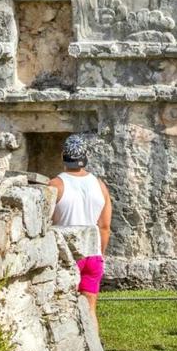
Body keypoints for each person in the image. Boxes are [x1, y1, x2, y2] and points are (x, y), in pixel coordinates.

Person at [51, 134, 113, 319]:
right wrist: (100, 253)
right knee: (89, 309)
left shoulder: (55, 185)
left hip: (67, 253)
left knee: (62, 309)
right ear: (85, 158)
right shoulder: (100, 185)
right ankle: (94, 347)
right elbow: (105, 226)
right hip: (93, 254)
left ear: (63, 156)